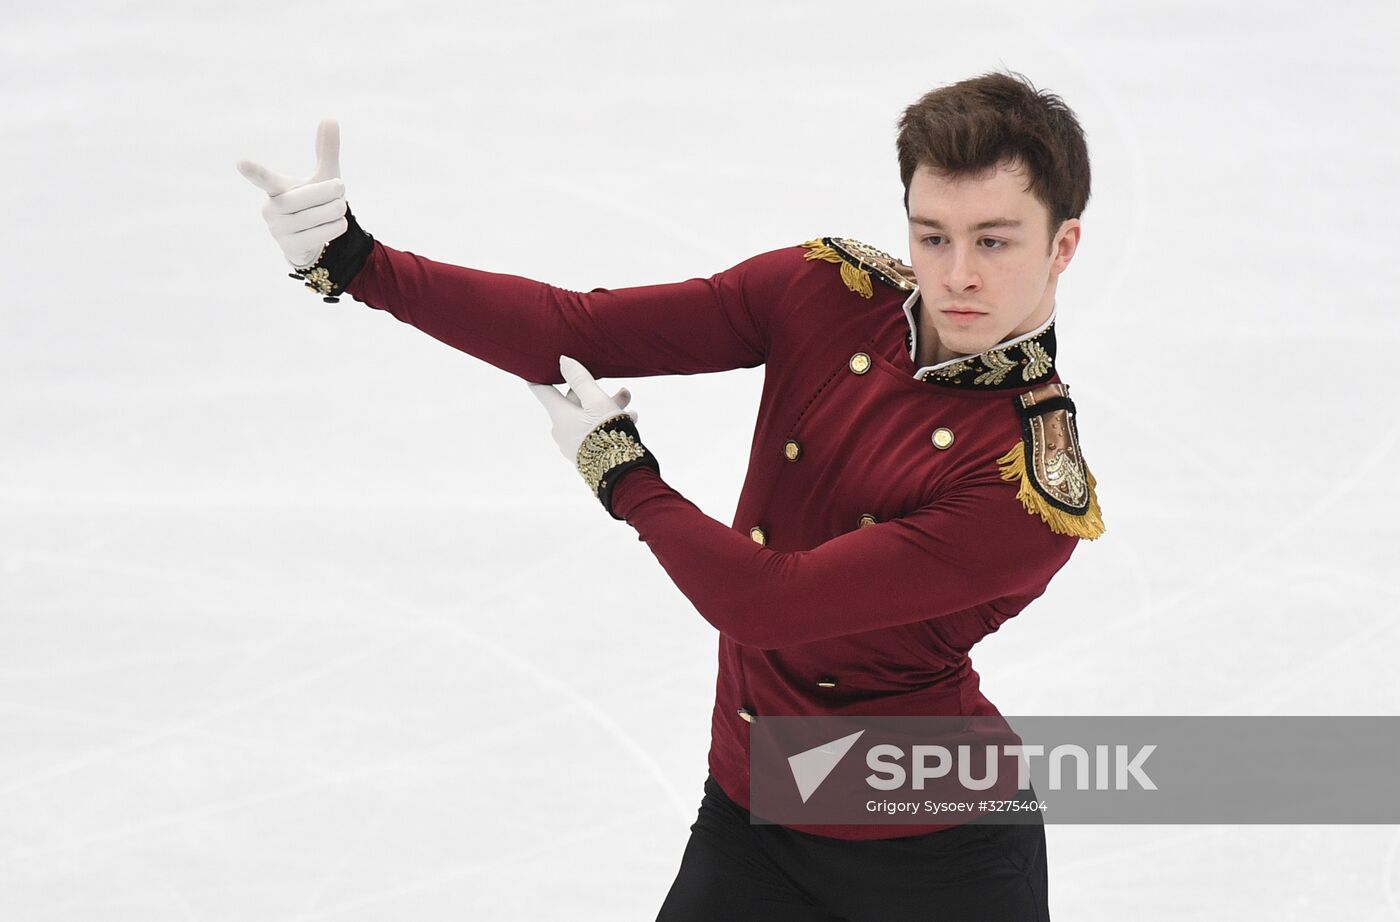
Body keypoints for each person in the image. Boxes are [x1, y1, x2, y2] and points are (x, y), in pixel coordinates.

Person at [237, 69, 1104, 921]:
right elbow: (573, 329)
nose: (955, 274)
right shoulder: (826, 293)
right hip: (757, 810)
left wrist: (624, 475)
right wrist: (357, 263)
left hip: (938, 853)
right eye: (932, 236)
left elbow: (768, 605)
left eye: (993, 241)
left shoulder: (1025, 485)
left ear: (1062, 245)